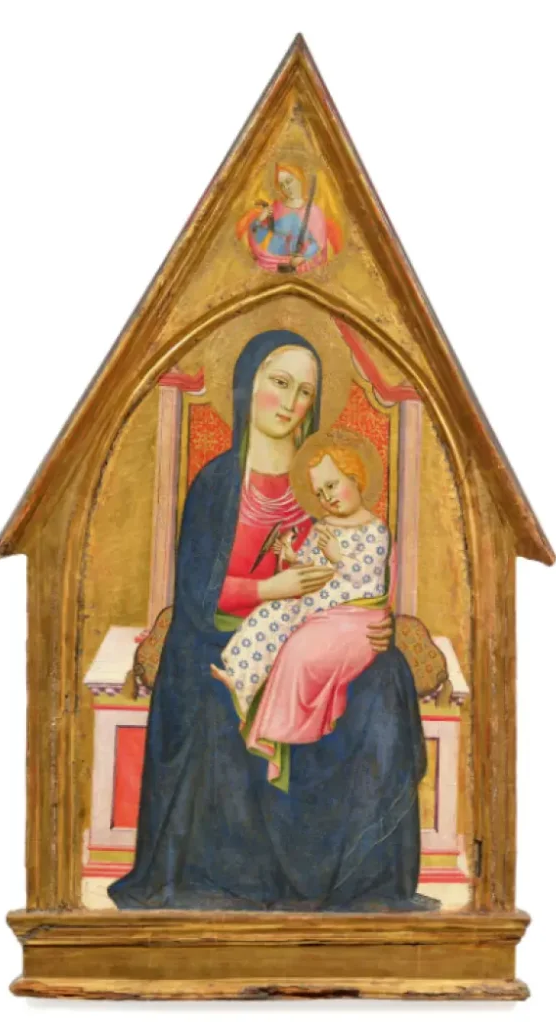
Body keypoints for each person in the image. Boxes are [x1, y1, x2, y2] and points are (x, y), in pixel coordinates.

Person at [108, 330, 432, 912]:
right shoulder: (217, 483)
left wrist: (373, 625)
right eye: (279, 383)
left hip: (313, 634)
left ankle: (363, 882)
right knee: (215, 698)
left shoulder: (324, 484)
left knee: (387, 683)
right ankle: (235, 882)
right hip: (218, 637)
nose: (291, 403)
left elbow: (357, 573)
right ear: (245, 386)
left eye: (305, 392)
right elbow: (196, 595)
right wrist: (268, 589)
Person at [212, 433, 393, 789]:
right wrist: (291, 556)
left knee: (296, 649)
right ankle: (241, 679)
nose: (327, 498)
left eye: (332, 485)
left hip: (352, 616)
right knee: (266, 617)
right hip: (313, 607)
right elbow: (309, 564)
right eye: (320, 493)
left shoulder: (375, 530)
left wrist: (339, 556)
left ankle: (277, 728)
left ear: (354, 476)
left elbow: (366, 576)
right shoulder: (323, 527)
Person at [236, 163, 342, 274]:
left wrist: (304, 258)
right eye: (282, 185)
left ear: (299, 179)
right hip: (270, 262)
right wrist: (259, 220)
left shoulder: (314, 212)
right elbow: (258, 238)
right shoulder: (275, 208)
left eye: (289, 181)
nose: (287, 188)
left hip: (301, 265)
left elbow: (319, 245)